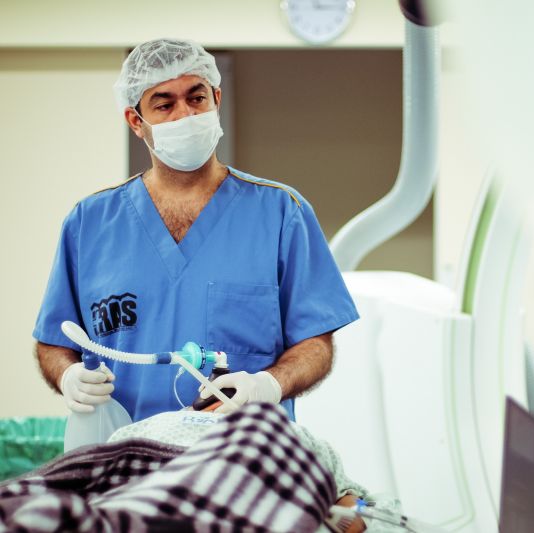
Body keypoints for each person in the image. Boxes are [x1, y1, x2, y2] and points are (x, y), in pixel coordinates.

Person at [32, 38, 359, 422]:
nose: (185, 114)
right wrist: (68, 375)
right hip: (126, 456)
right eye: (165, 104)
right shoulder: (90, 223)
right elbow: (54, 342)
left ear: (216, 99)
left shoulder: (281, 213)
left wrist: (269, 384)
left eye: (196, 97)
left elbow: (316, 343)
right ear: (137, 122)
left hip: (245, 456)